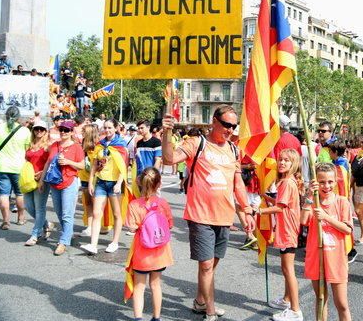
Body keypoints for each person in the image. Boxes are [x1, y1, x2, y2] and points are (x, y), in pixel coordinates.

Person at [161, 104, 255, 321]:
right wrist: (167, 133)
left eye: (233, 126)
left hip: (224, 216)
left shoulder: (233, 149)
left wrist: (248, 211)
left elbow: (237, 182)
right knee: (205, 266)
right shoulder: (197, 143)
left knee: (210, 265)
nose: (230, 129)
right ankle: (210, 311)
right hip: (200, 215)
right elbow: (169, 159)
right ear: (214, 121)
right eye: (226, 125)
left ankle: (200, 301)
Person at [301, 163, 353, 321]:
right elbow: (303, 220)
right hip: (316, 258)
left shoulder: (342, 202)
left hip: (336, 259)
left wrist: (326, 218)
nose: (326, 186)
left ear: (336, 182)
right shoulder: (312, 202)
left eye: (330, 182)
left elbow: (348, 229)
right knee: (321, 299)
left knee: (342, 304)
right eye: (322, 182)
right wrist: (310, 196)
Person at [258, 149, 304, 321]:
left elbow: (280, 207)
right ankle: (286, 300)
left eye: (287, 160)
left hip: (287, 230)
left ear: (294, 164)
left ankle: (295, 310)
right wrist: (266, 197)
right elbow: (280, 203)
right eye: (280, 159)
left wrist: (260, 210)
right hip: (289, 229)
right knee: (287, 269)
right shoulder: (289, 181)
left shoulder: (286, 183)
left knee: (288, 269)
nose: (282, 162)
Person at [125, 167, 174, 321]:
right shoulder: (163, 203)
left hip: (142, 253)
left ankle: (138, 318)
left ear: (139, 182)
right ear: (159, 184)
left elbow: (131, 226)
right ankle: (156, 317)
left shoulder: (134, 205)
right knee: (155, 285)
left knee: (139, 286)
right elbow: (170, 224)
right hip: (160, 253)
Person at [81, 118, 128, 254]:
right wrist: (91, 182)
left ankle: (114, 242)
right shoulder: (99, 145)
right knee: (96, 213)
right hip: (101, 182)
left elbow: (123, 166)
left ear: (115, 128)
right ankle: (93, 245)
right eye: (105, 128)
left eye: (110, 128)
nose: (107, 130)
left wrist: (119, 183)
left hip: (115, 183)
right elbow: (95, 164)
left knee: (116, 213)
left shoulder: (121, 145)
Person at [39, 120, 85, 255]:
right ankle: (68, 233)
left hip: (69, 181)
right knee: (59, 212)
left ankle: (63, 241)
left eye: (66, 130)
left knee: (66, 213)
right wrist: (42, 180)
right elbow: (48, 163)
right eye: (61, 130)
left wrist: (68, 162)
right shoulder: (54, 145)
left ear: (71, 132)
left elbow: (82, 165)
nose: (63, 132)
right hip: (54, 182)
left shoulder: (77, 147)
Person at [0, 106, 31, 229]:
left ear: (6, 115)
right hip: (19, 167)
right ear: (18, 117)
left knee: (4, 194)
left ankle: (6, 221)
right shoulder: (25, 131)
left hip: (2, 166)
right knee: (19, 194)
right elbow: (27, 150)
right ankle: (21, 218)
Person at [23, 120, 53, 246]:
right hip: (29, 180)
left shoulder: (49, 146)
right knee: (29, 207)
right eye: (36, 129)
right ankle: (46, 224)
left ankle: (35, 234)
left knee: (39, 208)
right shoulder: (29, 144)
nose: (39, 131)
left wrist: (42, 173)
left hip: (42, 180)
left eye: (41, 129)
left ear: (46, 131)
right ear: (33, 131)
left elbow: (52, 164)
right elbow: (26, 161)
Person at [78, 124, 99, 237]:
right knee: (88, 204)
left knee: (96, 204)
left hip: (95, 179)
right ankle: (90, 227)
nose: (82, 133)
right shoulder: (82, 144)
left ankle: (97, 226)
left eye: (84, 131)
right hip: (84, 178)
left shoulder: (97, 146)